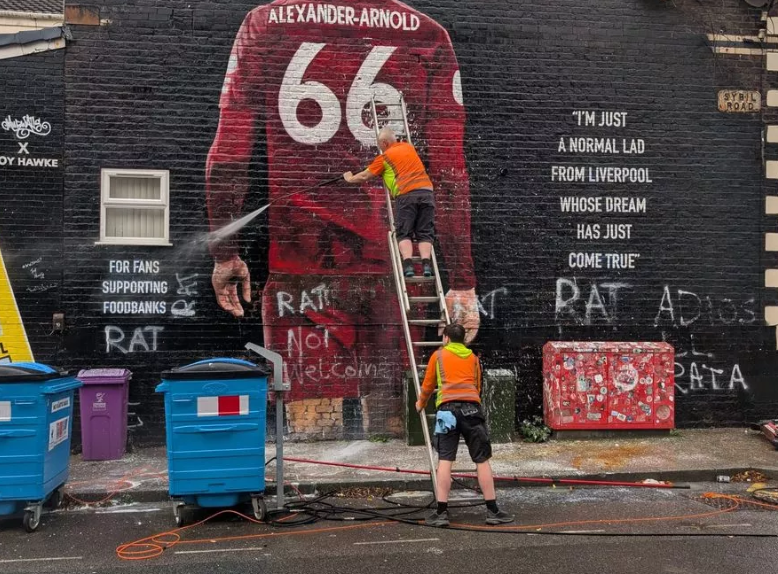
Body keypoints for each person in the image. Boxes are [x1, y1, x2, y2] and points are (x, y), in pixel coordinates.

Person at [206, 0, 482, 437]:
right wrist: (463, 281)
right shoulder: (427, 36)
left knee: (312, 431)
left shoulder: (265, 25)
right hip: (398, 273)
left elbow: (228, 159)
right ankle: (394, 462)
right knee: (395, 423)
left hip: (301, 274)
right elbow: (449, 175)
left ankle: (324, 467)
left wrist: (225, 253)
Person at [416, 323, 514, 527]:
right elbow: (478, 387)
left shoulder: (438, 356)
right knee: (482, 460)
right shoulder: (473, 358)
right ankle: (493, 511)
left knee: (445, 460)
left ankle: (441, 513)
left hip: (446, 412)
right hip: (471, 410)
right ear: (463, 339)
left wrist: (420, 404)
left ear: (446, 338)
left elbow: (428, 385)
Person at [343, 127, 435, 278]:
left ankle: (408, 266)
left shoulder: (384, 158)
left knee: (404, 233)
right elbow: (401, 166)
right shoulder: (408, 147)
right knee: (425, 233)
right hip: (427, 193)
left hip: (406, 195)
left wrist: (350, 178)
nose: (380, 148)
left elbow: (364, 176)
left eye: (379, 144)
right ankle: (426, 265)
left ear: (385, 143)